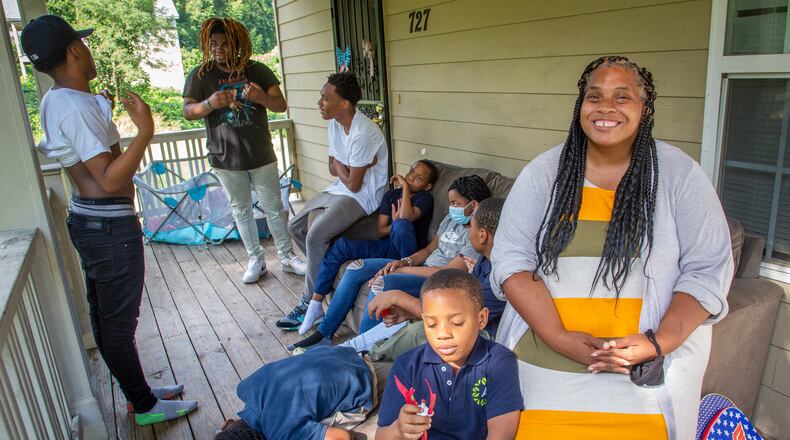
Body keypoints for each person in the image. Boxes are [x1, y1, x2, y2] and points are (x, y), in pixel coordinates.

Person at [490, 56, 733, 439]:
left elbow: (707, 270)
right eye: (594, 96)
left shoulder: (680, 175)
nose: (606, 107)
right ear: (580, 106)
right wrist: (558, 337)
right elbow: (510, 261)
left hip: (642, 382)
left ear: (645, 108)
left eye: (622, 97)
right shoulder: (543, 173)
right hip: (543, 373)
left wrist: (659, 342)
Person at [22, 15, 198, 425]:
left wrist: (104, 112)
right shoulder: (74, 107)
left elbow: (101, 161)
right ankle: (146, 407)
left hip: (94, 223)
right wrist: (145, 130)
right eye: (83, 44)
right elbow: (110, 178)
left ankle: (138, 395)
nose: (89, 50)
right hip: (109, 228)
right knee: (119, 325)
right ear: (74, 50)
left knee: (106, 320)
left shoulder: (61, 100)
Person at [289, 176, 490, 350]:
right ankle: (324, 333)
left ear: (473, 205)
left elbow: (449, 272)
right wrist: (405, 261)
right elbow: (429, 249)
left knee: (382, 282)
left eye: (456, 204)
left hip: (438, 280)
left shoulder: (476, 235)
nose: (452, 208)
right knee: (356, 267)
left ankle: (362, 350)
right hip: (420, 267)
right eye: (451, 203)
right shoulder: (450, 220)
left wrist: (404, 270)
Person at [182, 17, 306, 283]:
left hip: (261, 154)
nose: (218, 49)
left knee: (274, 208)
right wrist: (210, 104)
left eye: (225, 44)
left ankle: (286, 256)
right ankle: (256, 259)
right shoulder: (200, 75)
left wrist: (260, 97)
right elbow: (188, 111)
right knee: (241, 210)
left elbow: (280, 105)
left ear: (237, 44)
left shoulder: (257, 70)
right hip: (225, 157)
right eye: (213, 44)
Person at [277, 72, 389, 329]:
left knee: (315, 236)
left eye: (325, 98)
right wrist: (344, 165)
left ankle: (309, 303)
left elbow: (355, 184)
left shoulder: (363, 133)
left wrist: (342, 165)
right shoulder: (335, 124)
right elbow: (332, 168)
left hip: (363, 197)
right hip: (339, 189)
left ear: (344, 103)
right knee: (295, 227)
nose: (320, 103)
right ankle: (325, 274)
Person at [376, 269, 523, 439]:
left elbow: (501, 435)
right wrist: (398, 430)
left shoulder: (498, 362)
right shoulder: (407, 365)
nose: (443, 334)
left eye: (457, 323)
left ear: (481, 319)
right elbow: (381, 436)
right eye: (432, 324)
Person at [296, 160, 438, 334]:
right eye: (411, 171)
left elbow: (406, 218)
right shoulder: (391, 195)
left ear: (427, 186)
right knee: (341, 246)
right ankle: (316, 303)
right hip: (387, 246)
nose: (411, 177)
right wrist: (394, 225)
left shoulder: (425, 198)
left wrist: (405, 190)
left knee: (402, 224)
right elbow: (380, 230)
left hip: (409, 253)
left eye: (419, 178)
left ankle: (399, 272)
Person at [364, 197, 508, 348]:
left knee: (417, 331)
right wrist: (408, 313)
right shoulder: (484, 261)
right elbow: (459, 300)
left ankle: (367, 354)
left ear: (483, 235)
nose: (468, 231)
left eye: (471, 227)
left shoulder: (499, 275)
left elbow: (452, 314)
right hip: (459, 323)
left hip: (477, 340)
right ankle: (360, 348)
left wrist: (398, 297)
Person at [213, 346, 387, 440]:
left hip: (365, 383)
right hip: (342, 354)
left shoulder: (281, 432)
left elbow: (342, 438)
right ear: (228, 424)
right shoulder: (245, 387)